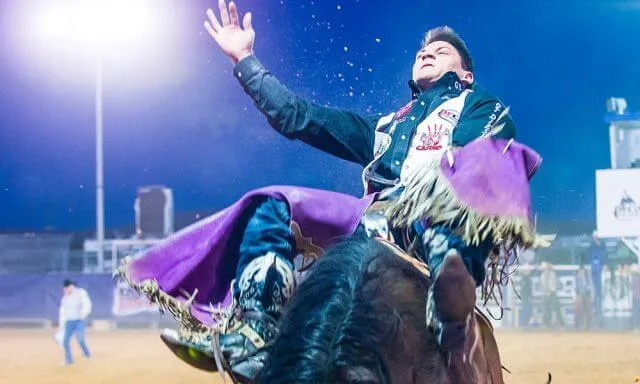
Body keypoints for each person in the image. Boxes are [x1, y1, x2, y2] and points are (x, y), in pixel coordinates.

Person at [119, 0, 540, 380]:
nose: (427, 52)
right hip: (371, 220)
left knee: (479, 171)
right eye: (422, 51)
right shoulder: (386, 126)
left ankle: (452, 299)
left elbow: (479, 159)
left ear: (466, 74)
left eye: (442, 51)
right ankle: (254, 331)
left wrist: (427, 201)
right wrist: (244, 59)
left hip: (433, 217)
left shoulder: (481, 105)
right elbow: (299, 117)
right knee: (272, 204)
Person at [58, 279, 92, 365]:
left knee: (80, 339)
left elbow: (87, 304)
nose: (65, 290)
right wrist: (62, 324)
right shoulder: (65, 298)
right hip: (69, 322)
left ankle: (87, 354)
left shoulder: (80, 293)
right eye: (64, 289)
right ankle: (69, 360)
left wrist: (83, 314)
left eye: (67, 288)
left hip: (79, 321)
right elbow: (63, 312)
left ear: (71, 286)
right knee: (65, 341)